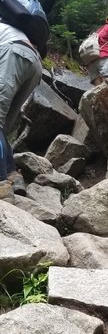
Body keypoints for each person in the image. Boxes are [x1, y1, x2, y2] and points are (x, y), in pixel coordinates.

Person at [0, 22, 42, 202]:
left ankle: (1, 184)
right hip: (34, 63)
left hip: (15, 55)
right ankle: (13, 176)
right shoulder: (8, 27)